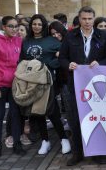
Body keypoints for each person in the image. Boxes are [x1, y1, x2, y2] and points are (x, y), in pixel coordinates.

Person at [59, 6, 106, 166]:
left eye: (90, 19)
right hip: (75, 84)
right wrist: (69, 65)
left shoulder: (102, 36)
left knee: (97, 118)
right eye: (84, 19)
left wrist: (100, 63)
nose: (87, 22)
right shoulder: (70, 36)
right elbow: (62, 58)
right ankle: (77, 153)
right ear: (79, 19)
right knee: (75, 119)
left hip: (96, 86)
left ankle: (97, 152)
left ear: (93, 19)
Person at [20, 14, 71, 156]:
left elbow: (63, 57)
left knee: (52, 110)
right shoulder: (26, 42)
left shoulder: (51, 41)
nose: (36, 27)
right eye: (34, 24)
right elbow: (21, 60)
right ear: (31, 26)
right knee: (37, 112)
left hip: (48, 81)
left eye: (39, 24)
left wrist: (49, 65)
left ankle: (63, 139)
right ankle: (45, 140)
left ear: (44, 26)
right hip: (32, 82)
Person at [0, 16, 26, 158]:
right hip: (0, 85)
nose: (14, 29)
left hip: (15, 85)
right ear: (4, 27)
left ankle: (17, 143)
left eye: (16, 26)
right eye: (11, 26)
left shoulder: (19, 41)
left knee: (16, 115)